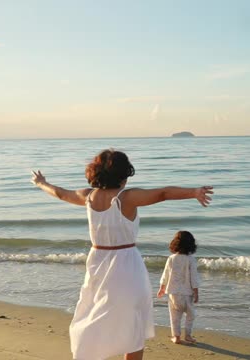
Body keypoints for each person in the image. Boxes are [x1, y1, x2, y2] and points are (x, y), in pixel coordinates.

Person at [31, 149, 213, 360]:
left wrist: (41, 183)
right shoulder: (126, 198)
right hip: (126, 264)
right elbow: (162, 193)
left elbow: (61, 193)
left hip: (97, 263)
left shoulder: (88, 196)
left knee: (93, 312)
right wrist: (194, 192)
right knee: (133, 322)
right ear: (123, 175)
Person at [157, 230, 201, 345]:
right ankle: (188, 335)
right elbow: (194, 277)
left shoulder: (171, 258)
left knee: (174, 316)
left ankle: (176, 337)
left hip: (173, 293)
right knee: (191, 315)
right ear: (191, 244)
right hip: (187, 293)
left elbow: (165, 274)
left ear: (175, 243)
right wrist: (196, 292)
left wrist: (162, 287)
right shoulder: (191, 259)